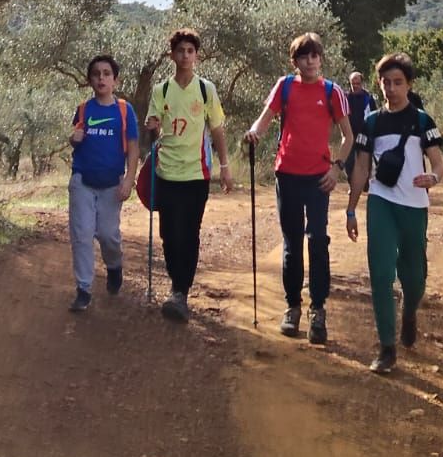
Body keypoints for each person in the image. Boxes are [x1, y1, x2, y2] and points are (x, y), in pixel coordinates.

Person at [244, 33, 354, 344]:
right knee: (292, 243)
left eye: (314, 55)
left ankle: (318, 310)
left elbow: (348, 136)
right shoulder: (286, 86)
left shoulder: (333, 92)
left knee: (317, 241)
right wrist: (253, 133)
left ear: (321, 58)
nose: (310, 60)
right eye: (304, 56)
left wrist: (337, 168)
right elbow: (264, 120)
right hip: (287, 174)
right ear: (295, 61)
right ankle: (292, 307)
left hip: (319, 178)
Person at [344, 53, 443, 375]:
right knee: (382, 274)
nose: (391, 88)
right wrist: (351, 209)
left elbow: (438, 161)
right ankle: (387, 347)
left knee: (415, 278)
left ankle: (410, 312)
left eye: (398, 82)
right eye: (386, 82)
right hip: (381, 203)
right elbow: (361, 167)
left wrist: (436, 177)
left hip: (415, 206)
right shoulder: (371, 122)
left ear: (409, 84)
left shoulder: (422, 121)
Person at [143, 28, 233, 322]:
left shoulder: (206, 89)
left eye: (190, 51)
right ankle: (175, 285)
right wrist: (153, 126)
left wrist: (225, 166)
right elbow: (153, 124)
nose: (185, 56)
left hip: (197, 175)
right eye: (180, 50)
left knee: (189, 233)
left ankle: (180, 291)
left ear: (196, 55)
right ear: (172, 55)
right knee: (169, 234)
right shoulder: (162, 90)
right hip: (166, 173)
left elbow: (217, 129)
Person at [66, 54, 140, 312]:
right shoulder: (84, 109)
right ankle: (83, 289)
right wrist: (73, 139)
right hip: (82, 181)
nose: (101, 78)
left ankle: (114, 266)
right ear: (90, 80)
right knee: (82, 235)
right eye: (96, 74)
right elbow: (75, 139)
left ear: (115, 80)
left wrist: (129, 180)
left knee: (108, 235)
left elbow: (132, 148)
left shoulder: (124, 110)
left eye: (106, 73)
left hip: (111, 184)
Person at [342, 70, 375, 179]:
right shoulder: (345, 98)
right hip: (349, 134)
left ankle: (365, 183)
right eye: (353, 83)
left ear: (362, 83)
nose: (355, 86)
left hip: (365, 134)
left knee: (365, 160)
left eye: (358, 83)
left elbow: (374, 116)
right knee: (348, 161)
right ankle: (352, 183)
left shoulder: (368, 99)